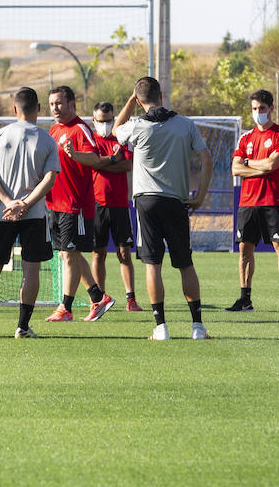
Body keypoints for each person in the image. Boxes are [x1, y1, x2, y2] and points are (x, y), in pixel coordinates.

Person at [113, 76, 212, 340]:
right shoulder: (184, 124)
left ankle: (161, 328)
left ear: (138, 100)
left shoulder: (136, 126)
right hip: (177, 201)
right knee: (185, 264)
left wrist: (130, 102)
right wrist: (200, 195)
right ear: (162, 95)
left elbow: (115, 129)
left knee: (152, 264)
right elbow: (205, 157)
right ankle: (198, 327)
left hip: (146, 201)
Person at [0, 87, 59, 338]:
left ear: (15, 109)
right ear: (38, 109)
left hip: (3, 214)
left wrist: (9, 201)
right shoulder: (47, 140)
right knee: (31, 270)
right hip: (34, 215)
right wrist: (26, 204)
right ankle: (23, 327)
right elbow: (49, 179)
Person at [43, 86, 115, 323]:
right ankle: (98, 297)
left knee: (70, 255)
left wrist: (74, 154)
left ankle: (66, 308)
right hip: (56, 202)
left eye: (59, 103)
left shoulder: (80, 129)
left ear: (72, 104)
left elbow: (94, 159)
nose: (55, 107)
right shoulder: (54, 129)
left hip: (75, 204)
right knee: (67, 254)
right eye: (52, 103)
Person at [229, 89, 279, 313]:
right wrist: (258, 165)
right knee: (244, 249)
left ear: (271, 109)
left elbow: (272, 165)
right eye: (255, 109)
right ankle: (245, 300)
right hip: (247, 202)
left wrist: (249, 163)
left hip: (272, 201)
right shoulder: (245, 137)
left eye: (263, 109)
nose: (259, 113)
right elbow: (235, 169)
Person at [88, 101, 141, 312]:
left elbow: (128, 165)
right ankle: (99, 299)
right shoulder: (90, 140)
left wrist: (104, 162)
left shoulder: (122, 138)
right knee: (97, 254)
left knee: (124, 253)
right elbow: (93, 163)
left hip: (120, 204)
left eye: (109, 120)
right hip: (96, 204)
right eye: (101, 121)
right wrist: (111, 159)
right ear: (94, 121)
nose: (106, 125)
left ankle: (131, 299)